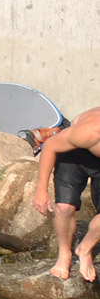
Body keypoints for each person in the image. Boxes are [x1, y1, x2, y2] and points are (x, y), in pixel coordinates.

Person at [31, 108, 100, 280]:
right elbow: (50, 146)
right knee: (64, 207)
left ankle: (84, 250)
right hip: (74, 154)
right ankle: (64, 254)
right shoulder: (89, 131)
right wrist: (41, 189)